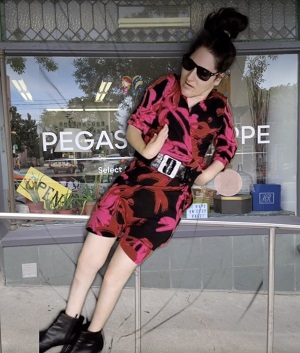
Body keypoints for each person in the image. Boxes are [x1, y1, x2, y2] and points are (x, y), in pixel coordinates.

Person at [39, 7, 248, 353]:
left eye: (202, 72)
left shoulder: (219, 108)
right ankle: (66, 323)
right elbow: (134, 127)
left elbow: (227, 148)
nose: (190, 75)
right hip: (132, 184)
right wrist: (147, 150)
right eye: (188, 63)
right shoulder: (164, 87)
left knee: (116, 274)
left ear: (219, 77)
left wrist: (209, 173)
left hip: (168, 203)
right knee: (89, 258)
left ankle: (92, 336)